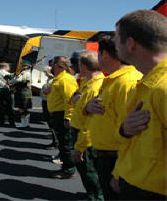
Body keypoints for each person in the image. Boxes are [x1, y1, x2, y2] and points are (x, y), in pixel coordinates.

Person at [110, 10, 167, 200]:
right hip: (134, 184)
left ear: (131, 43)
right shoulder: (144, 84)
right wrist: (125, 130)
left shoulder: (163, 88)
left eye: (117, 38)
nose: (114, 44)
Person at [82, 34, 143, 200]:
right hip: (107, 156)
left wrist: (119, 172)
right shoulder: (114, 81)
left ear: (105, 55)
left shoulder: (126, 83)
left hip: (115, 159)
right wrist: (87, 108)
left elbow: (132, 134)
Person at [70, 51, 104, 200]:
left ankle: (95, 197)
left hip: (85, 138)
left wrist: (80, 147)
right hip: (83, 134)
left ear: (83, 66)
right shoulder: (89, 83)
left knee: (89, 172)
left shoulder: (93, 89)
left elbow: (90, 124)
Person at [43, 56, 78, 179]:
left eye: (52, 65)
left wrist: (68, 117)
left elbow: (70, 100)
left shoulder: (65, 79)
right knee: (62, 143)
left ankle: (69, 170)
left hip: (62, 114)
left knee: (66, 143)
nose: (50, 67)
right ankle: (66, 167)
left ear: (57, 66)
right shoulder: (58, 78)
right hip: (57, 114)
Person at [10, 60, 33, 128]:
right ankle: (25, 123)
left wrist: (12, 81)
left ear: (28, 66)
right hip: (22, 91)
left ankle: (24, 124)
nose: (23, 66)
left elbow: (18, 80)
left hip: (23, 91)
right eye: (22, 65)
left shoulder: (25, 73)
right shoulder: (23, 72)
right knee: (23, 108)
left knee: (22, 108)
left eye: (24, 65)